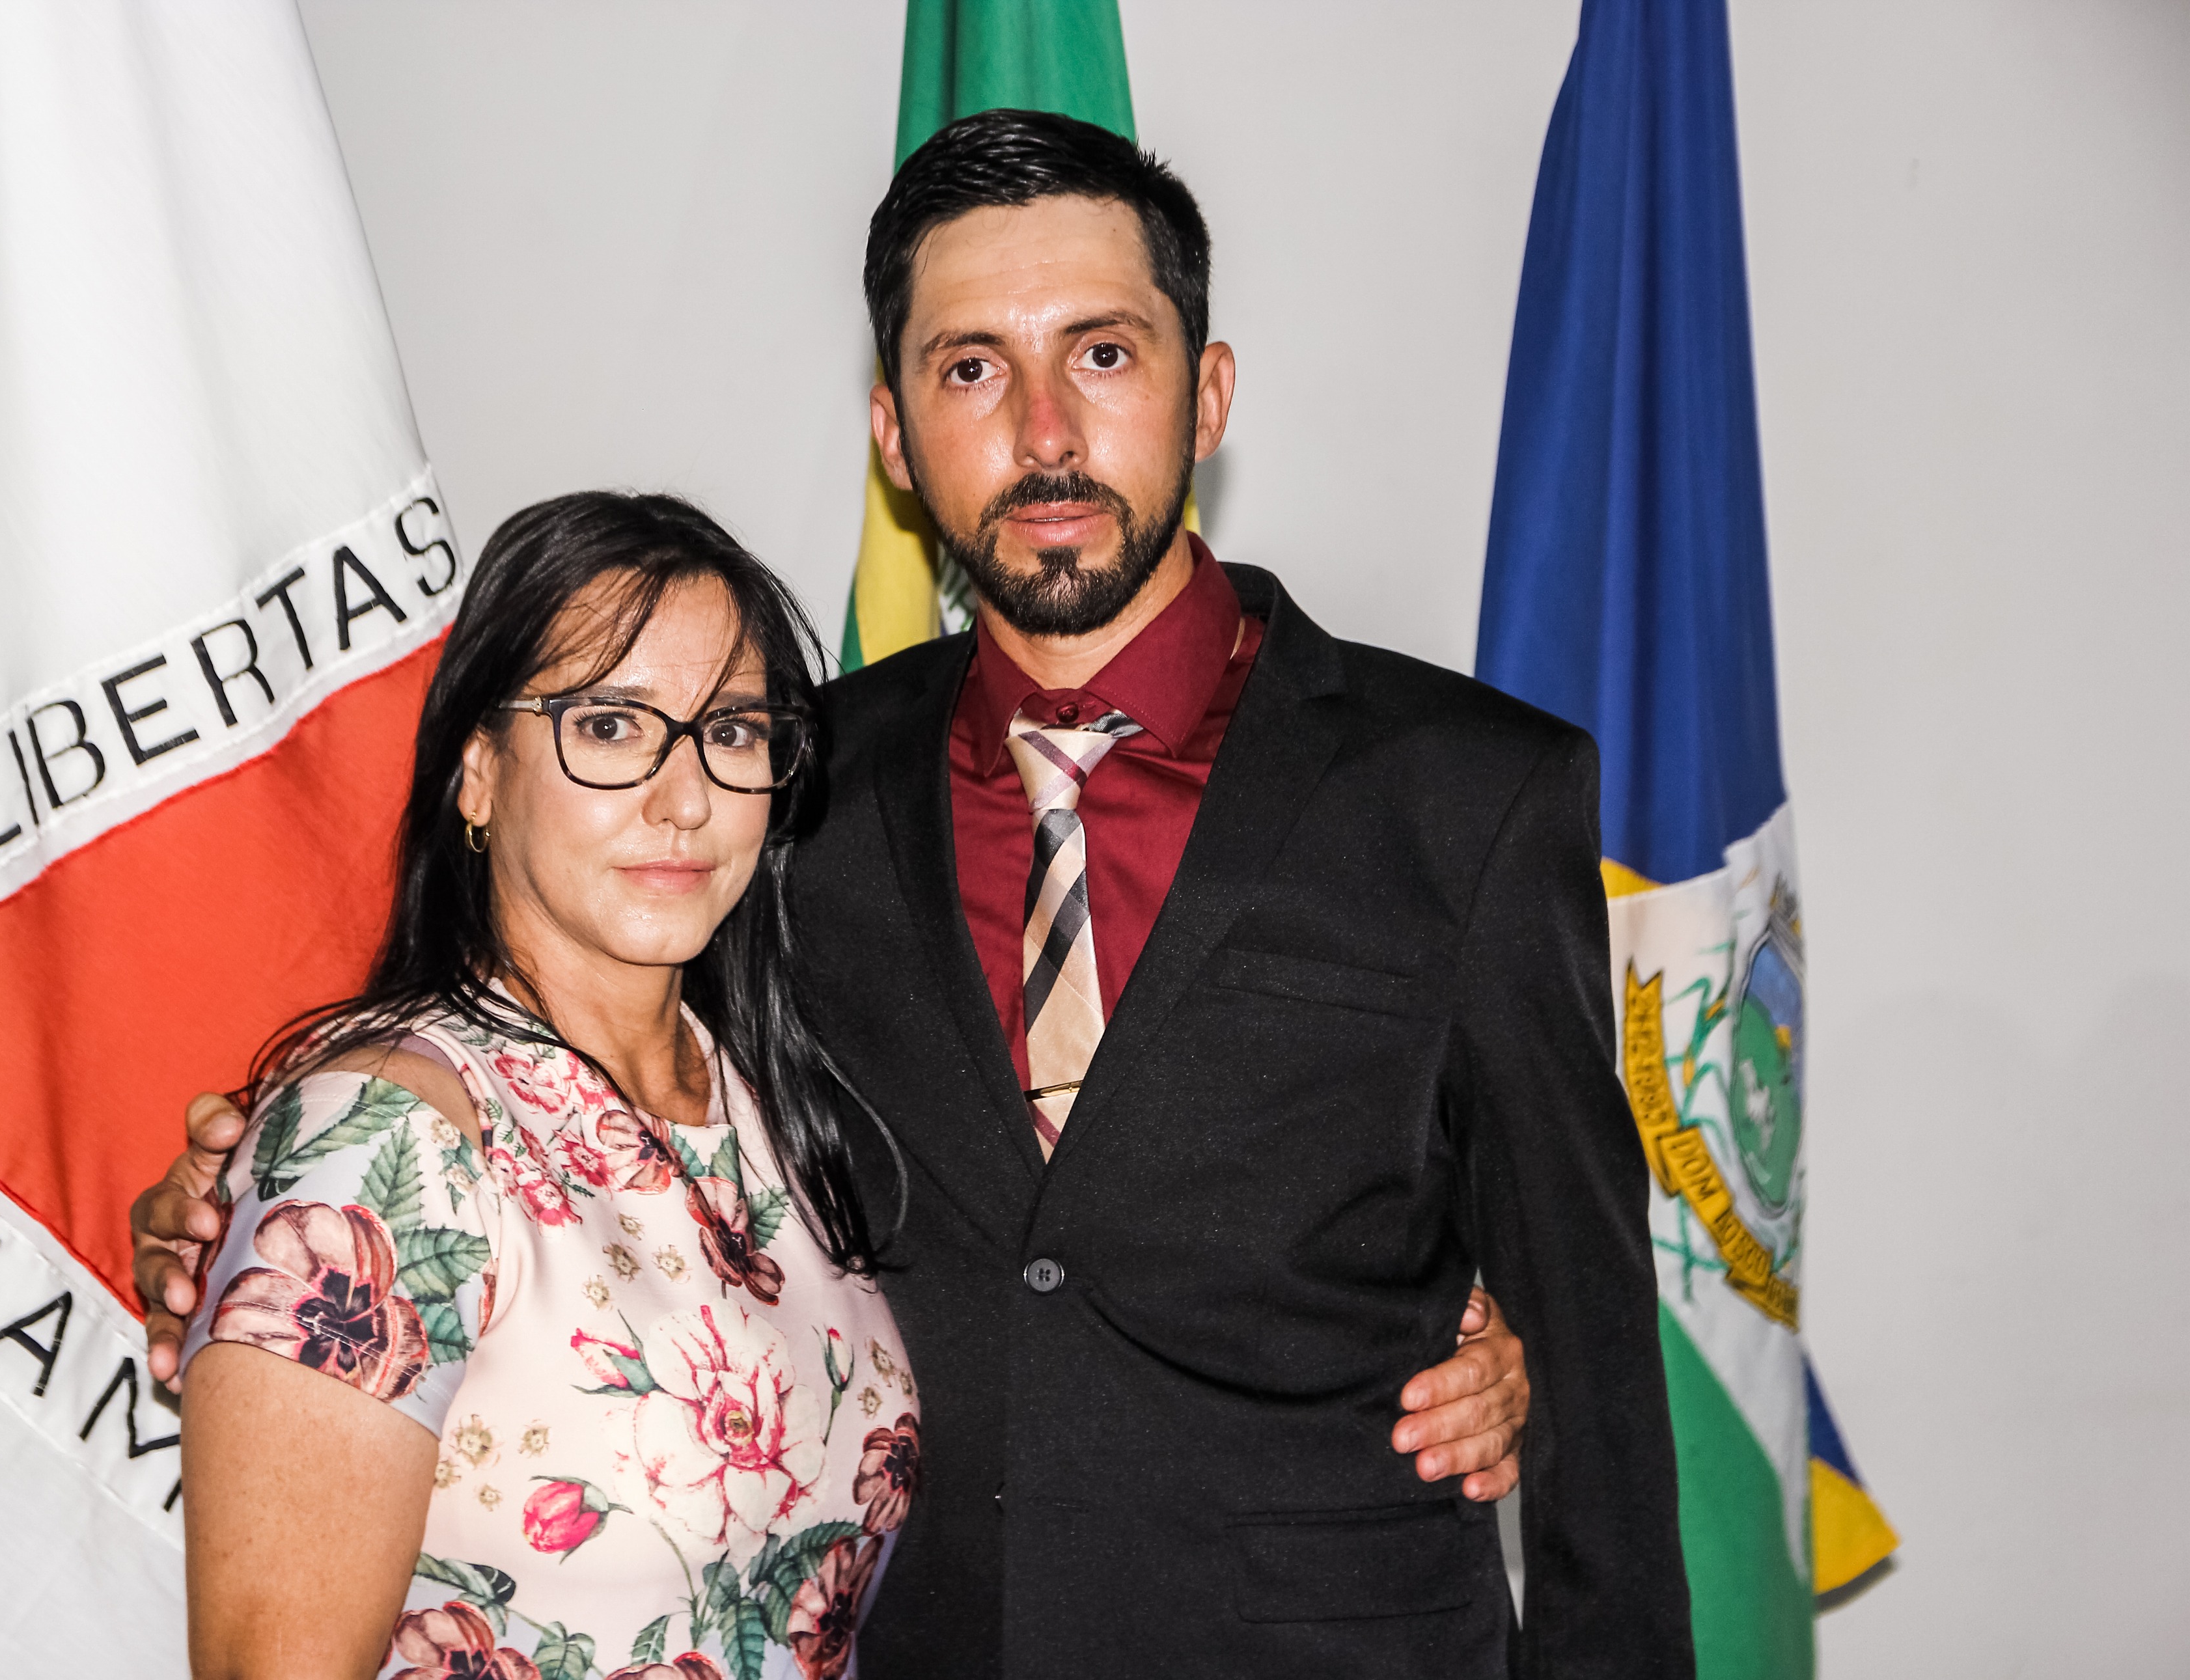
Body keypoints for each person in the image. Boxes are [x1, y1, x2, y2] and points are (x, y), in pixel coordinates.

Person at [138, 107, 1684, 1675]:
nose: (1043, 430)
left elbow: (1596, 1367)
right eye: (969, 369)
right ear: (893, 432)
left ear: (1207, 393)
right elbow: (543, 1106)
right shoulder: (780, 786)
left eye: (1102, 354)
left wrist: (1514, 1355)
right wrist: (241, 1213)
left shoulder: (1465, 795)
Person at [176, 494, 921, 1680]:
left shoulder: (772, 1100)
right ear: (478, 771)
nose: (686, 798)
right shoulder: (385, 1140)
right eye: (612, 726)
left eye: (733, 732)